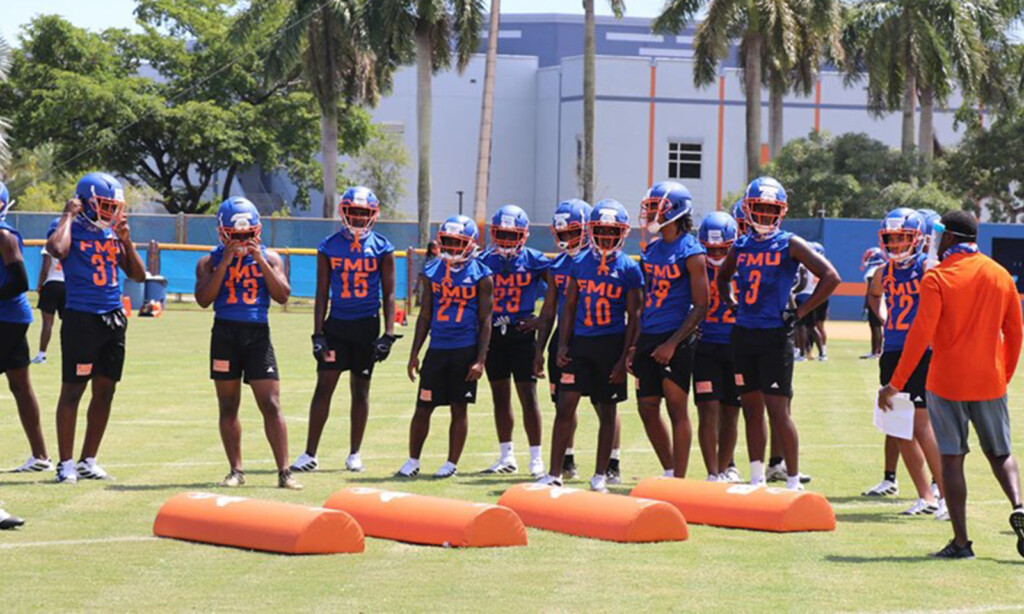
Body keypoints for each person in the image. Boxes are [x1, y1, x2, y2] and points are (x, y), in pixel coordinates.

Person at [879, 210, 1024, 560]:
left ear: (948, 237)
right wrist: (1002, 375)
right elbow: (1016, 332)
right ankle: (1020, 504)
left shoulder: (937, 278)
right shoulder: (1000, 275)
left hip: (946, 383)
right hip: (989, 381)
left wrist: (894, 384)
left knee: (952, 460)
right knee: (1000, 454)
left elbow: (920, 336)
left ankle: (961, 543)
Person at [716, 177, 839, 490]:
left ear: (781, 211)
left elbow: (830, 277)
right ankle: (757, 477)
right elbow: (721, 276)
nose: (766, 215)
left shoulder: (790, 242)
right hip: (744, 334)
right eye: (760, 208)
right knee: (751, 409)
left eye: (772, 209)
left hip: (774, 335)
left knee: (778, 410)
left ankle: (793, 480)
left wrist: (799, 312)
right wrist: (731, 301)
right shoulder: (741, 245)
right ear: (748, 208)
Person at [46, 172, 146, 483]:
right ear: (85, 202)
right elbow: (56, 250)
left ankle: (88, 459)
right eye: (105, 205)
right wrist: (66, 215)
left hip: (113, 316)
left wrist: (127, 242)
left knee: (106, 390)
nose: (112, 212)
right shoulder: (69, 228)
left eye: (114, 206)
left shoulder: (114, 232)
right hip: (82, 317)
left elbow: (139, 275)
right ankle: (65, 464)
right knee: (73, 390)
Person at [194, 197, 300, 490]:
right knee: (228, 405)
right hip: (225, 334)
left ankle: (284, 471)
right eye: (235, 235)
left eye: (246, 234)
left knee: (271, 403)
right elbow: (204, 300)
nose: (241, 241)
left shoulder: (272, 257)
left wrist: (260, 260)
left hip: (257, 334)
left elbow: (282, 295)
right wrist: (226, 261)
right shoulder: (209, 260)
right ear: (222, 232)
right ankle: (236, 470)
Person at [290, 187, 398, 474]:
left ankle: (354, 453)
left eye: (364, 213)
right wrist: (317, 333)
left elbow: (389, 294)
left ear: (373, 215)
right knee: (323, 387)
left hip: (365, 326)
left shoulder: (383, 248)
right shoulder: (328, 246)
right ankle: (310, 453)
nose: (359, 218)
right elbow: (322, 292)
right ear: (344, 212)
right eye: (355, 212)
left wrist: (388, 334)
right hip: (336, 325)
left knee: (360, 391)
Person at [537, 200, 642, 492]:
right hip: (580, 343)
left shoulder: (629, 269)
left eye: (613, 231)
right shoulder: (579, 264)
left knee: (606, 409)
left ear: (622, 232)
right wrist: (562, 345)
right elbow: (568, 307)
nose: (607, 236)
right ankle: (555, 472)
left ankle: (599, 475)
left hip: (611, 344)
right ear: (591, 230)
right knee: (565, 406)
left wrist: (625, 357)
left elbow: (634, 316)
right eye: (602, 230)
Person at [398, 215, 492, 478]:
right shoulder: (432, 271)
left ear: (470, 243)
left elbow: (486, 320)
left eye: (457, 242)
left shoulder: (482, 275)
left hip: (464, 348)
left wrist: (480, 359)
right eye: (447, 242)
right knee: (423, 406)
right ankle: (413, 461)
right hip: (437, 348)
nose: (451, 247)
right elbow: (425, 315)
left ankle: (451, 463)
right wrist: (415, 353)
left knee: (458, 407)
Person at [869, 208, 945, 517]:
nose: (897, 245)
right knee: (898, 427)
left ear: (918, 239)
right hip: (892, 351)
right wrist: (884, 316)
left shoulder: (929, 268)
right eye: (892, 239)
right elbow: (875, 295)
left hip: (923, 351)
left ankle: (944, 493)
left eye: (903, 238)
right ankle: (925, 496)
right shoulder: (883, 271)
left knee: (921, 425)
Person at [632, 182, 708, 478]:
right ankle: (668, 469)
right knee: (647, 407)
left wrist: (673, 343)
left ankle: (680, 479)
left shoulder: (692, 251)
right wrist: (634, 345)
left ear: (675, 211)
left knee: (677, 407)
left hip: (675, 337)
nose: (650, 213)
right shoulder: (651, 250)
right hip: (649, 334)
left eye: (656, 208)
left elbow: (701, 305)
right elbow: (646, 300)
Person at [479, 205, 551, 477]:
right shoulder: (485, 260)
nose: (507, 240)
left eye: (512, 234)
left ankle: (536, 457)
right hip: (494, 333)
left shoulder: (536, 260)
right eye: (502, 234)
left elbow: (554, 298)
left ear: (524, 234)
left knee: (528, 396)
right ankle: (507, 456)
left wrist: (538, 320)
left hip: (522, 334)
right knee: (500, 397)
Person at [0, 182, 50, 474]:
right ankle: (41, 456)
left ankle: (41, 455)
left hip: (7, 319)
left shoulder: (4, 236)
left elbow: (20, 282)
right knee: (20, 385)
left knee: (21, 385)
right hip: (12, 319)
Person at [695, 211, 743, 482]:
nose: (714, 252)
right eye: (709, 247)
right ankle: (712, 472)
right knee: (708, 410)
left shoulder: (745, 264)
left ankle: (725, 468)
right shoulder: (694, 264)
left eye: (721, 248)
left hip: (736, 346)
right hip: (705, 346)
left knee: (730, 412)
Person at [31, 218, 65, 365]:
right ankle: (70, 353)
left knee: (47, 324)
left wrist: (39, 285)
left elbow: (45, 268)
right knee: (69, 324)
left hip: (51, 285)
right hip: (67, 286)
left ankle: (42, 354)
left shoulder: (49, 246)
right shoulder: (69, 247)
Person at [860, 246, 886, 360]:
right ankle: (877, 350)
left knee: (875, 326)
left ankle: (876, 351)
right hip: (884, 301)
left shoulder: (873, 272)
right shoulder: (884, 269)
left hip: (876, 302)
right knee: (878, 327)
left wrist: (866, 306)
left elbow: (870, 291)